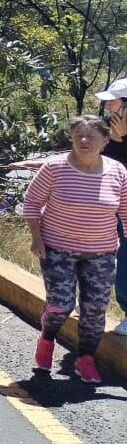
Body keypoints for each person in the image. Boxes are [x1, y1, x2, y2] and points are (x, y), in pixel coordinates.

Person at [23, 115, 127, 384]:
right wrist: (36, 238)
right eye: (79, 135)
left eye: (92, 136)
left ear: (106, 140)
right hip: (58, 248)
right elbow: (32, 203)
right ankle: (47, 339)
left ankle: (86, 359)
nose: (84, 140)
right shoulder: (54, 168)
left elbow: (125, 212)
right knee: (60, 304)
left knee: (94, 310)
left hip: (101, 253)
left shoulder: (117, 171)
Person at [95, 78, 127, 335]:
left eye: (112, 100)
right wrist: (117, 141)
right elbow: (111, 167)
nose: (106, 105)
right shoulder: (112, 129)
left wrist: (124, 138)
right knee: (121, 257)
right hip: (119, 207)